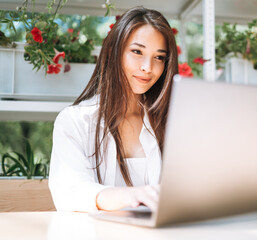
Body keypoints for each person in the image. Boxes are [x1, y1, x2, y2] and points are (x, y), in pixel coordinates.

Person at [48, 6, 178, 212]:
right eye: (137, 52)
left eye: (159, 57)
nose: (148, 67)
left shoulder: (171, 122)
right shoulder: (75, 121)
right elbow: (70, 190)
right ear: (113, 52)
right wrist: (128, 196)